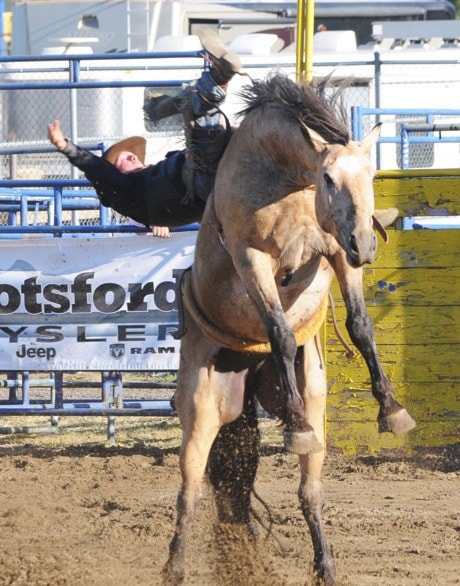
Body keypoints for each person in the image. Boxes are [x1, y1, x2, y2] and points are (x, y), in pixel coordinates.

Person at [47, 28, 242, 237]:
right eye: (125, 160)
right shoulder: (126, 192)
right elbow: (95, 167)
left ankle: (210, 85)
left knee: (221, 137)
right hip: (197, 182)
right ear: (115, 173)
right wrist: (65, 146)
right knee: (206, 132)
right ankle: (217, 79)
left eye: (132, 157)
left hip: (201, 186)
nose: (133, 155)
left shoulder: (148, 186)